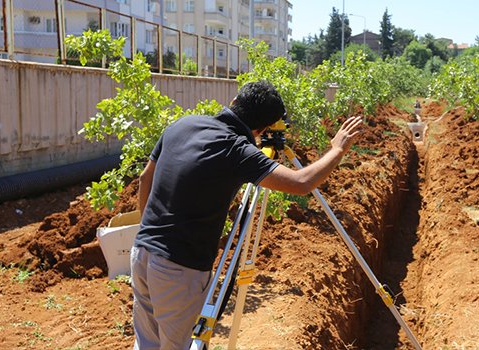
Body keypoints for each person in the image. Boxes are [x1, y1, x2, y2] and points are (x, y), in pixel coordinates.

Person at [131, 80, 363, 350]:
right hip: (179, 268)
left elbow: (144, 178)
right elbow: (301, 183)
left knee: (147, 344)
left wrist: (146, 230)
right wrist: (337, 149)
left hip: (142, 253)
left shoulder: (183, 124)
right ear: (261, 129)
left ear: (235, 102)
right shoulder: (236, 149)